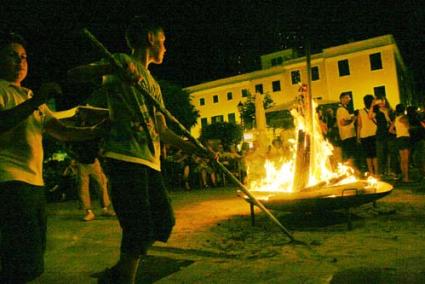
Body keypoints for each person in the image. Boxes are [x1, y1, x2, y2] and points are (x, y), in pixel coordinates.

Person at [68, 16, 210, 283]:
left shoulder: (153, 85)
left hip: (150, 160)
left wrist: (198, 150)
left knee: (164, 221)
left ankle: (117, 273)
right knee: (139, 227)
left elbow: (163, 131)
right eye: (163, 41)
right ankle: (125, 279)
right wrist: (111, 69)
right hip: (124, 156)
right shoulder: (121, 62)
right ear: (150, 39)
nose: (165, 47)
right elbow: (74, 75)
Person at [0, 31, 109, 283]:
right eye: (13, 56)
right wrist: (37, 100)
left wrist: (97, 129)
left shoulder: (28, 96)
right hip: (10, 183)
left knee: (33, 257)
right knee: (20, 259)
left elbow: (62, 131)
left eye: (24, 57)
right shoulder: (10, 94)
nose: (20, 62)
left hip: (35, 185)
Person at [336, 93, 358, 173]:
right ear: (342, 99)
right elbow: (343, 122)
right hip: (347, 136)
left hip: (349, 135)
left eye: (349, 97)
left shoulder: (344, 109)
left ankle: (351, 171)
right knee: (350, 155)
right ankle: (350, 171)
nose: (349, 99)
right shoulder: (341, 110)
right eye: (347, 97)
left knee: (350, 154)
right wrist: (352, 119)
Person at [357, 94, 378, 176]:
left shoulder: (360, 111)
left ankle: (371, 172)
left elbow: (359, 125)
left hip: (364, 135)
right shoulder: (375, 111)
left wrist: (358, 137)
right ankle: (376, 172)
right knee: (374, 155)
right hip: (374, 134)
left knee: (368, 155)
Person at [389, 104, 411, 182]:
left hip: (399, 139)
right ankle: (407, 178)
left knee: (402, 160)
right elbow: (408, 127)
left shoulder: (396, 119)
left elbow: (390, 130)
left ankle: (404, 177)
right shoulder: (405, 118)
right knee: (406, 160)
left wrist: (398, 133)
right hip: (405, 138)